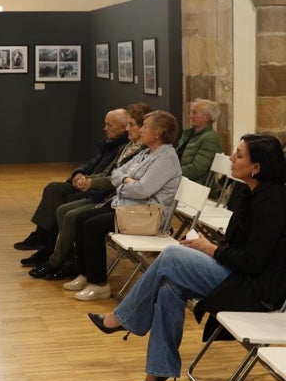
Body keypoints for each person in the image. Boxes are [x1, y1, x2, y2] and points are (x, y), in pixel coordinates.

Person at [86, 135, 286, 381]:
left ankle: (122, 319)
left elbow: (254, 262)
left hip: (257, 289)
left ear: (256, 167)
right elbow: (240, 246)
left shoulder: (273, 203)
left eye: (240, 155)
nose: (231, 158)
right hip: (239, 274)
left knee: (171, 255)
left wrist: (212, 250)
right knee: (169, 286)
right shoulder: (251, 193)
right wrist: (212, 247)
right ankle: (158, 371)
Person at [30, 104, 152, 282]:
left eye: (131, 124)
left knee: (74, 215)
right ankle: (59, 256)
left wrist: (92, 181)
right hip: (109, 194)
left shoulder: (143, 152)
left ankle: (64, 262)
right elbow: (113, 173)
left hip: (120, 202)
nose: (127, 129)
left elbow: (124, 180)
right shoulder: (130, 148)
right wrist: (83, 177)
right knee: (62, 208)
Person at [70, 111, 183, 302]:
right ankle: (85, 274)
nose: (141, 130)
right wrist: (127, 181)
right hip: (128, 208)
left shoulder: (166, 158)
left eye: (146, 126)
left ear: (159, 132)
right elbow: (117, 173)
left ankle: (99, 285)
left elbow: (142, 190)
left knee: (92, 226)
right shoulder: (147, 152)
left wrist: (123, 185)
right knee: (81, 218)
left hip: (147, 217)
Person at [14, 108, 130, 264]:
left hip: (97, 190)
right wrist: (78, 174)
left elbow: (110, 176)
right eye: (105, 124)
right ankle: (42, 236)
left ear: (124, 128)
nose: (105, 128)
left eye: (110, 125)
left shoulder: (123, 149)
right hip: (86, 183)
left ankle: (48, 248)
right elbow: (91, 164)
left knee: (61, 202)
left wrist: (88, 181)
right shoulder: (107, 144)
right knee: (53, 188)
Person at [175, 99, 224, 182]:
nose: (190, 116)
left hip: (196, 186)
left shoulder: (211, 138)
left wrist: (171, 173)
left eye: (194, 113)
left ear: (207, 117)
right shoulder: (189, 134)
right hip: (181, 179)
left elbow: (197, 169)